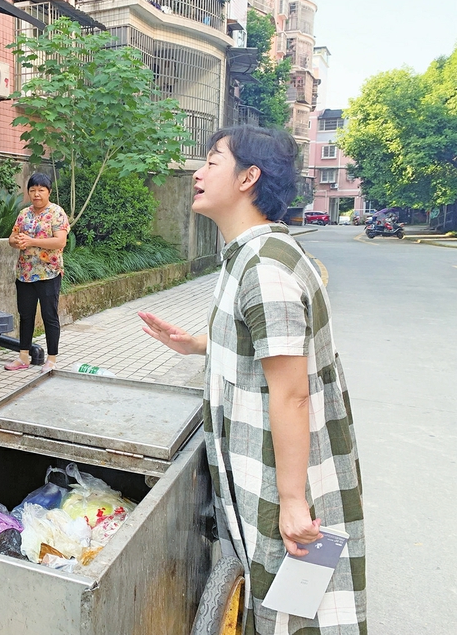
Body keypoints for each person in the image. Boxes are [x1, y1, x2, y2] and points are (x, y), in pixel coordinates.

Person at [139, 125, 365, 634]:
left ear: (249, 177)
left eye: (213, 161)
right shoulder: (249, 256)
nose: (197, 172)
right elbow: (266, 347)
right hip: (259, 462)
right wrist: (197, 343)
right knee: (273, 601)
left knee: (293, 610)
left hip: (280, 470)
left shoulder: (266, 269)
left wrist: (290, 500)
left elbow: (291, 392)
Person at [5, 173, 69, 373]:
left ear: (48, 191)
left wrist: (32, 241)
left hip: (48, 273)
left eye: (41, 190)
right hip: (25, 273)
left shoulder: (57, 213)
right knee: (26, 315)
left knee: (50, 316)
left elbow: (60, 241)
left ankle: (51, 359)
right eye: (32, 190)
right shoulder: (24, 214)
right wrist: (17, 241)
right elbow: (12, 238)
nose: (36, 194)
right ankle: (23, 356)